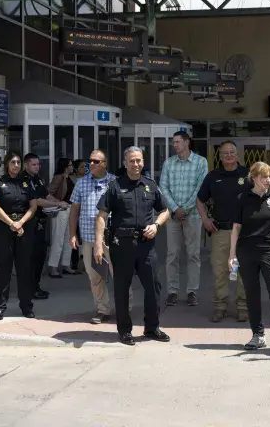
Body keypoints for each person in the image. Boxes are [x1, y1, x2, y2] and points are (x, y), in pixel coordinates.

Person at [95, 146, 171, 346]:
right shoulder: (114, 186)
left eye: (139, 160)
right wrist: (98, 243)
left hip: (146, 246)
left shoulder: (150, 186)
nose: (136, 164)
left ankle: (152, 327)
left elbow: (165, 211)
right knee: (122, 289)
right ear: (125, 163)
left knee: (154, 287)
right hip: (122, 245)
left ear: (143, 162)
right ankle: (124, 331)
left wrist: (156, 225)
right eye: (131, 161)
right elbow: (101, 216)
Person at [228, 161, 270, 352]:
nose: (268, 180)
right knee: (252, 294)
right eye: (264, 176)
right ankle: (258, 335)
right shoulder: (243, 198)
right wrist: (232, 254)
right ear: (254, 177)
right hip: (247, 250)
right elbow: (236, 228)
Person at [70, 150, 131, 324]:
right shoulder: (81, 183)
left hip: (113, 237)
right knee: (94, 275)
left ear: (104, 164)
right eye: (90, 161)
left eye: (96, 161)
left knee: (119, 274)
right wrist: (73, 234)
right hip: (89, 237)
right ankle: (102, 309)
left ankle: (124, 308)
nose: (92, 164)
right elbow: (74, 210)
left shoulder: (115, 182)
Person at [196, 140, 251, 323]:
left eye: (232, 152)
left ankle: (243, 307)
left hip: (244, 232)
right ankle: (220, 307)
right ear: (219, 156)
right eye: (224, 153)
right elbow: (200, 200)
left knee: (244, 271)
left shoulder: (248, 174)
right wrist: (205, 219)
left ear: (237, 154)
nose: (228, 155)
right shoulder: (213, 176)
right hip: (221, 231)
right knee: (220, 270)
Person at [160, 131, 209, 307]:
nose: (175, 145)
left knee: (193, 255)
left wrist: (185, 208)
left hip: (193, 215)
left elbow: (201, 188)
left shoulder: (200, 162)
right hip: (173, 216)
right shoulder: (169, 163)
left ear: (187, 142)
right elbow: (163, 187)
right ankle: (172, 291)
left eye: (178, 142)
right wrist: (175, 208)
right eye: (173, 142)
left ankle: (192, 291)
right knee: (172, 254)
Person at [0, 152, 38, 321]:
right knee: (4, 269)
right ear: (7, 164)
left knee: (25, 269)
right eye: (13, 162)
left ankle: (26, 306)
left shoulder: (27, 182)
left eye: (18, 162)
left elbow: (33, 206)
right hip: (3, 230)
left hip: (23, 229)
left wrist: (21, 223)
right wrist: (12, 223)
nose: (16, 165)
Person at [24, 153, 68, 299]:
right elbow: (37, 201)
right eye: (34, 164)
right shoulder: (24, 180)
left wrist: (59, 203)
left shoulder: (37, 179)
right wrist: (57, 204)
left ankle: (35, 286)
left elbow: (46, 195)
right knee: (30, 258)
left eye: (38, 164)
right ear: (26, 165)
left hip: (40, 223)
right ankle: (29, 289)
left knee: (40, 256)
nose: (37, 167)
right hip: (29, 224)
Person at [47, 158, 80, 277]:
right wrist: (58, 202)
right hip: (61, 210)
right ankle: (53, 267)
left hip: (71, 209)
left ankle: (66, 265)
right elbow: (49, 193)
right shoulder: (59, 178)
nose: (72, 167)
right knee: (58, 239)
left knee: (69, 238)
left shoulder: (72, 177)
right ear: (65, 167)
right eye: (71, 165)